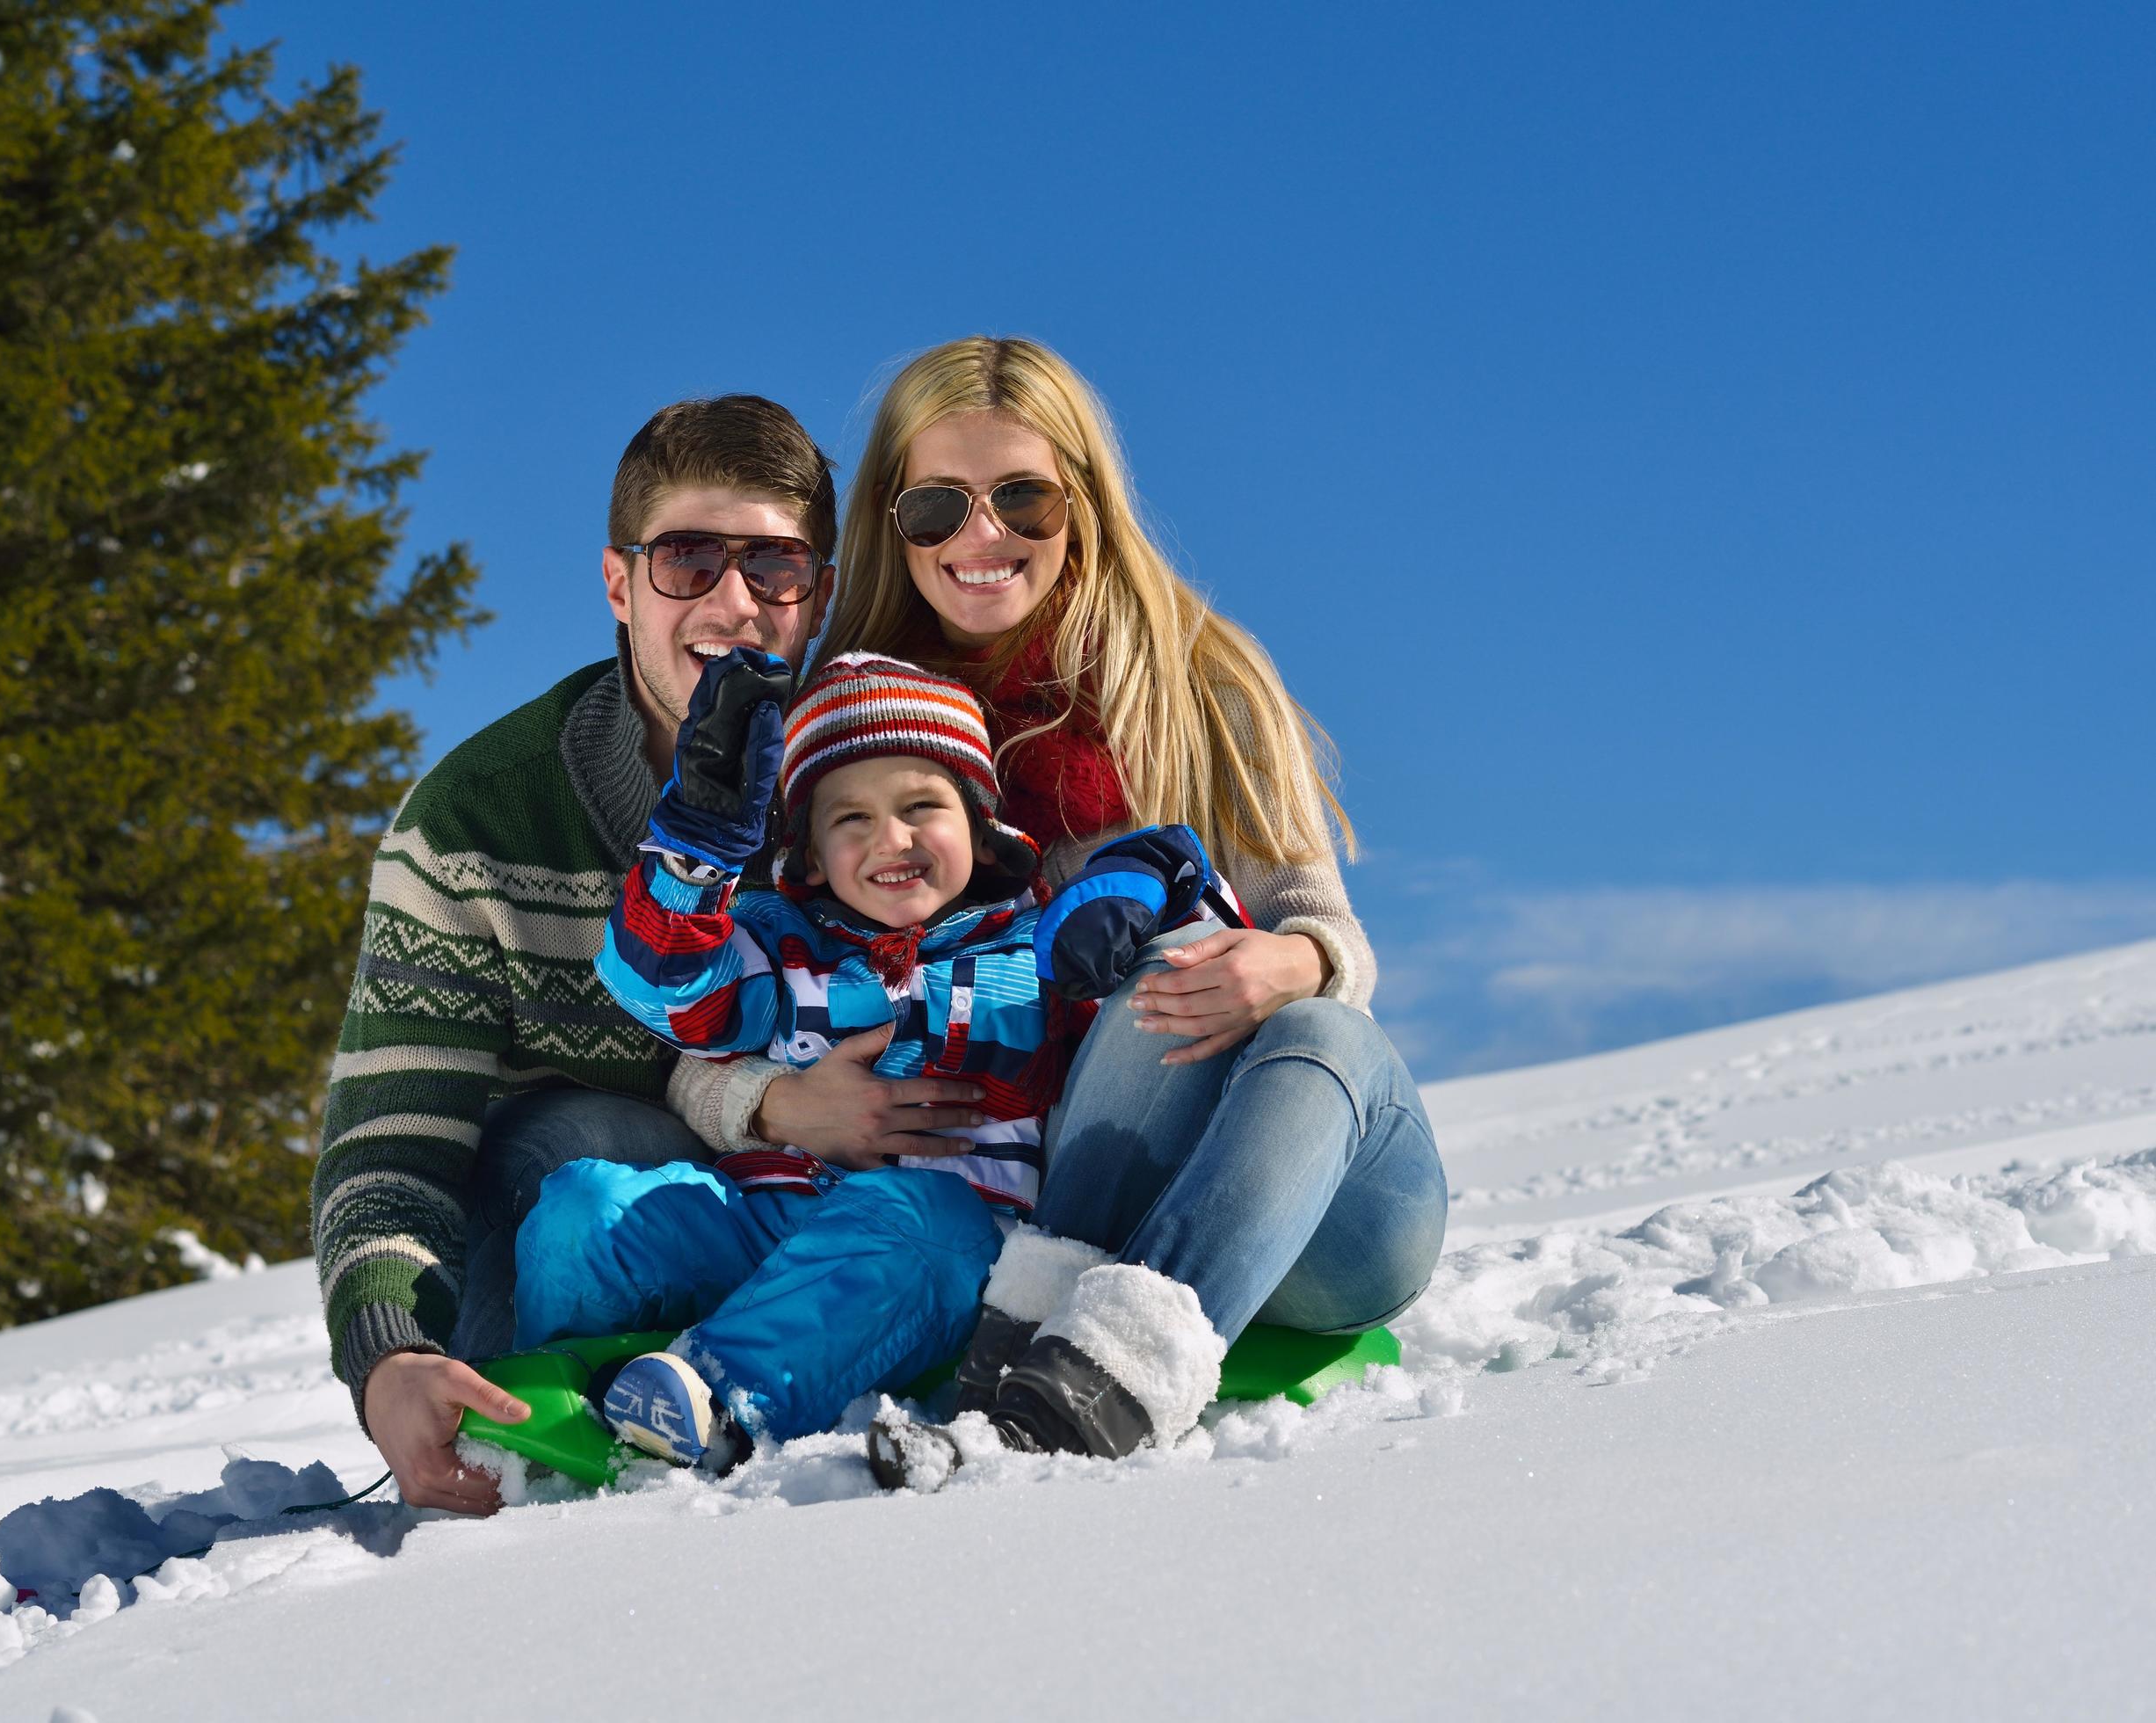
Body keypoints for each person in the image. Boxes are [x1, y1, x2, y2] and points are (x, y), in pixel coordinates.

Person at [742, 337, 1449, 1480]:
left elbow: (1325, 922)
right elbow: (729, 980)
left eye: (1021, 496)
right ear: (890, 518)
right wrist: (776, 1101)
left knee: (1307, 1020)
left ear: (1083, 497)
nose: (982, 538)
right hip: (1041, 1189)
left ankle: (1110, 1354)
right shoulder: (850, 738)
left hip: (1307, 1207)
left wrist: (1297, 962)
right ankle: (1070, 1378)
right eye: (937, 507)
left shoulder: (1196, 676)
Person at [309, 396, 985, 1515]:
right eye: (687, 560)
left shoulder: (882, 783)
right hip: (604, 1231)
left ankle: (813, 1376)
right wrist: (387, 1353)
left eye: (774, 566)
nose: (732, 602)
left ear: (814, 589)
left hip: (864, 1227)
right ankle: (593, 1453)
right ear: (620, 585)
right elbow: (393, 1143)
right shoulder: (478, 820)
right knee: (581, 1136)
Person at [512, 649, 1232, 1466]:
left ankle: (712, 1402)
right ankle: (552, 1401)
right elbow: (661, 990)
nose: (891, 837)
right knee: (585, 1204)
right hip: (771, 1225)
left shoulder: (1035, 951)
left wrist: (1147, 880)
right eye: (850, 818)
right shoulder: (780, 944)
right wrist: (695, 847)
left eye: (922, 805)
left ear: (981, 829)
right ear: (810, 856)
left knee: (928, 1225)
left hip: (941, 1253)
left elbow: (1177, 997)